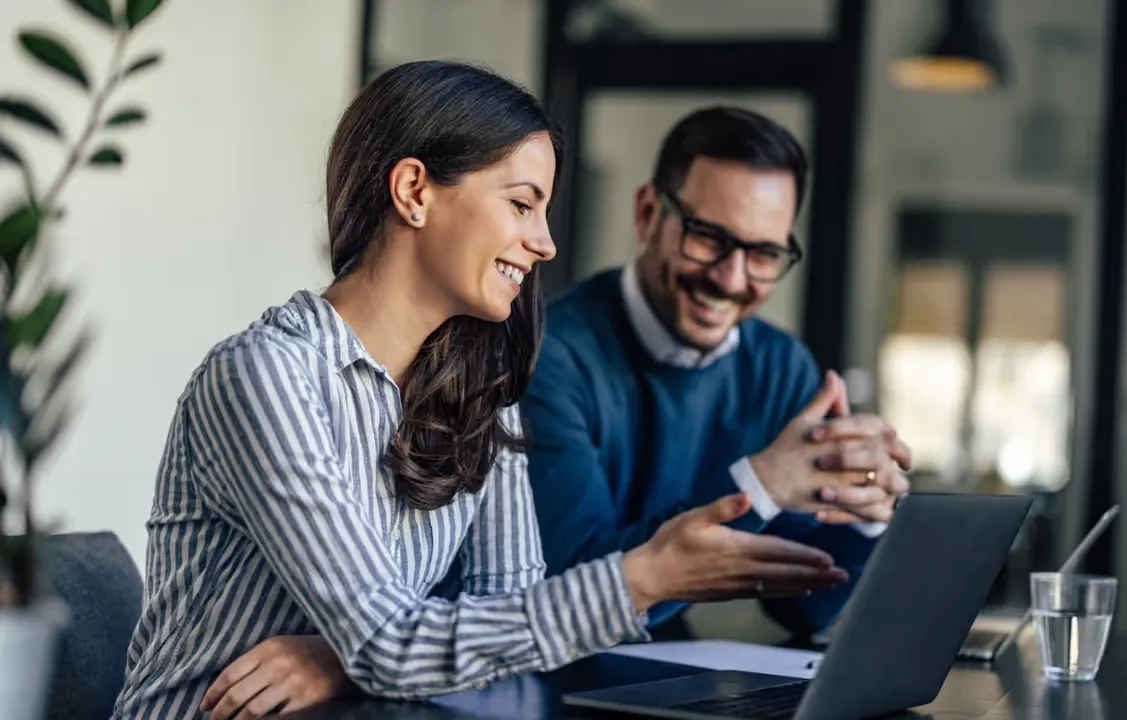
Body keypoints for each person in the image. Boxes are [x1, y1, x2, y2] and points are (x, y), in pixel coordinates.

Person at [111, 63, 850, 720]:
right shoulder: (266, 377)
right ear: (414, 192)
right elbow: (390, 643)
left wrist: (346, 658)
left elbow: (507, 613)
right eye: (523, 204)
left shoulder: (477, 390)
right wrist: (641, 577)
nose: (546, 242)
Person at [520, 106, 913, 641]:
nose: (731, 279)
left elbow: (805, 608)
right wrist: (760, 488)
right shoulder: (547, 355)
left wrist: (867, 509)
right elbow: (569, 589)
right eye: (707, 237)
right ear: (647, 213)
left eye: (764, 254)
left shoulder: (780, 367)